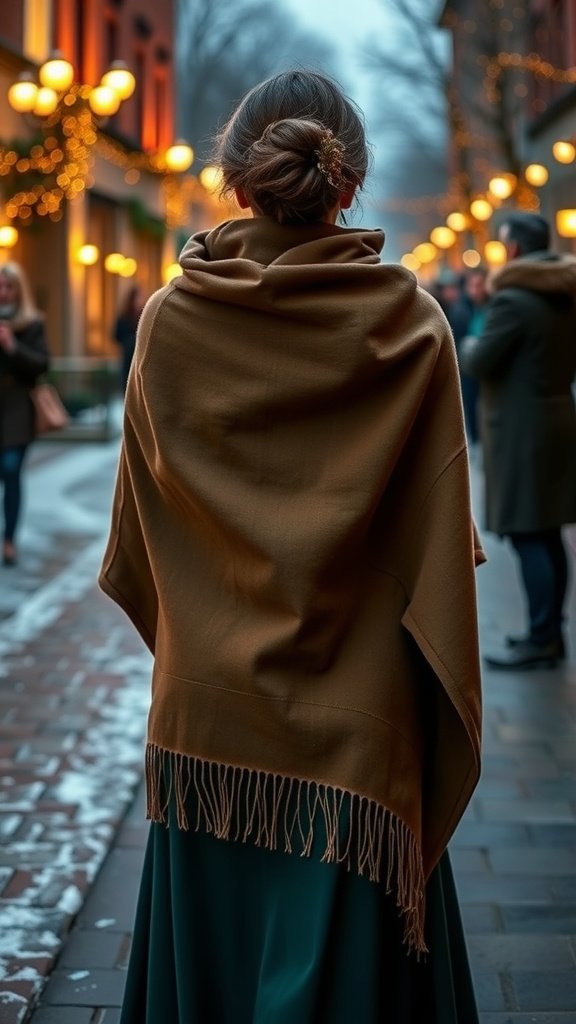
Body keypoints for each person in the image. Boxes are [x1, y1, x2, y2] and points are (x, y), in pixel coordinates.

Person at [99, 70, 484, 1023]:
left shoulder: (170, 320)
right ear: (349, 180)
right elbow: (439, 545)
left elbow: (139, 525)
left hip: (210, 720)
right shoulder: (412, 324)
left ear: (235, 177)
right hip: (360, 726)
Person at [460, 211, 576, 670]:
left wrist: (474, 329)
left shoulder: (512, 300)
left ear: (514, 249)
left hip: (521, 431)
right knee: (548, 532)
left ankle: (541, 637)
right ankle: (550, 633)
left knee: (528, 533)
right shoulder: (565, 291)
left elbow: (479, 360)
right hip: (558, 418)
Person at [0, 261, 49, 567]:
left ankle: (9, 540)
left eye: (9, 287)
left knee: (10, 469)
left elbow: (42, 364)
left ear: (19, 291)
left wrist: (12, 347)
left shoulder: (31, 323)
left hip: (17, 410)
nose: (3, 292)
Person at [450, 267, 489, 448]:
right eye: (472, 285)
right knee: (471, 403)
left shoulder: (493, 306)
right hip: (467, 368)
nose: (475, 290)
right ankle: (476, 439)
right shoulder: (460, 311)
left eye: (479, 285)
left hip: (488, 364)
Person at [113, 284, 145, 392]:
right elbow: (116, 336)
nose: (141, 300)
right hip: (128, 359)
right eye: (139, 296)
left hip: (140, 360)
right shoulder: (124, 318)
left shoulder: (143, 317)